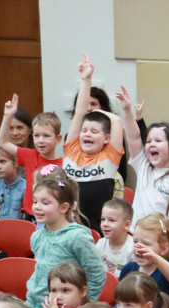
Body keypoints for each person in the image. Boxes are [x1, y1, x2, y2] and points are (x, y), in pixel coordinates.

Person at [24, 173, 105, 308]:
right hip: (35, 306)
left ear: (63, 207)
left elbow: (96, 273)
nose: (37, 207)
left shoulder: (77, 236)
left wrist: (84, 305)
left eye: (45, 203)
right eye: (35, 201)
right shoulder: (37, 236)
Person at [64, 54, 125, 230]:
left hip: (99, 228)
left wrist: (99, 112)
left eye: (94, 131)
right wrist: (86, 79)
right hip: (70, 227)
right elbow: (80, 113)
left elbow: (117, 122)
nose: (87, 135)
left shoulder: (109, 157)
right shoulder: (72, 150)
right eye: (84, 131)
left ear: (107, 139)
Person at [117, 86, 169, 221]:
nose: (151, 144)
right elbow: (134, 138)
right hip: (137, 237)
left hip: (163, 238)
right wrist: (127, 110)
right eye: (148, 141)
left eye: (158, 141)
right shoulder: (144, 166)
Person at [0, 93, 64, 219]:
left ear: (58, 139)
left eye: (46, 136)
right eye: (37, 136)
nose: (41, 140)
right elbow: (2, 142)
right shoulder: (29, 155)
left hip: (52, 217)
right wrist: (8, 116)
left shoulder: (63, 165)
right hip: (30, 214)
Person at [119, 214, 169, 300]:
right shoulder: (129, 268)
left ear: (163, 248)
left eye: (146, 244)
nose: (139, 247)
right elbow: (120, 298)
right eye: (135, 241)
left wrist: (155, 258)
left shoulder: (168, 267)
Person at [96, 198, 134, 277]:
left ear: (127, 225)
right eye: (103, 219)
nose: (105, 224)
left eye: (111, 220)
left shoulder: (133, 249)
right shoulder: (100, 244)